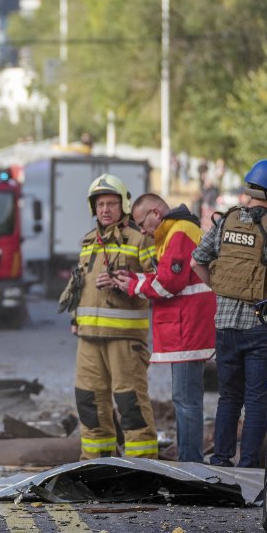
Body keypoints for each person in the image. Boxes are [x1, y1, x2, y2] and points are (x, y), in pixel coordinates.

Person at [192, 159, 267, 468]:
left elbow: (197, 261)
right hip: (259, 326)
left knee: (229, 397)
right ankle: (249, 464)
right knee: (255, 399)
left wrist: (221, 288)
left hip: (225, 326)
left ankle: (221, 460)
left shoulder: (226, 222)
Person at [112, 193, 217, 462]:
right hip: (187, 328)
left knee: (186, 402)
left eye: (142, 223)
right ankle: (190, 460)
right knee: (187, 400)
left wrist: (134, 285)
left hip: (186, 330)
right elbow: (167, 276)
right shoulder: (178, 231)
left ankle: (190, 464)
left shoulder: (179, 232)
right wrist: (136, 278)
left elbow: (169, 282)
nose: (142, 231)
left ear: (156, 213)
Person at [62, 173, 159, 461]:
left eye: (111, 204)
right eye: (100, 204)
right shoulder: (89, 241)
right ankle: (95, 467)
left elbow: (157, 282)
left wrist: (125, 281)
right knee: (89, 403)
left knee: (130, 404)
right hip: (89, 338)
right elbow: (81, 284)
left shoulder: (139, 240)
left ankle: (142, 469)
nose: (105, 209)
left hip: (125, 340)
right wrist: (75, 318)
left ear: (123, 206)